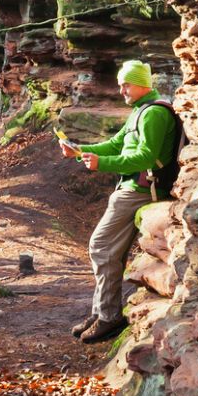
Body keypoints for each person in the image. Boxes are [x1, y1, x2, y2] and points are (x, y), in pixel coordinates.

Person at [60, 59, 179, 344]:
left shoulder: (154, 114)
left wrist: (102, 163)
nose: (121, 89)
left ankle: (109, 317)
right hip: (130, 187)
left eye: (126, 84)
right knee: (105, 249)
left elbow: (146, 158)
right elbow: (116, 144)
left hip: (140, 190)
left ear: (141, 84)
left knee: (101, 246)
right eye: (120, 83)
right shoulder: (139, 111)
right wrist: (79, 150)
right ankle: (101, 312)